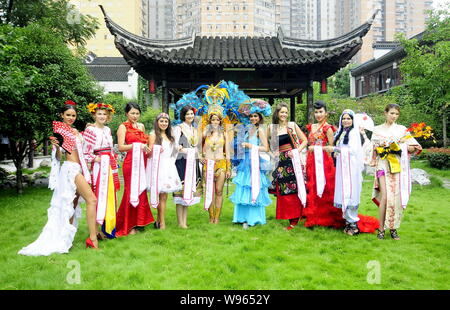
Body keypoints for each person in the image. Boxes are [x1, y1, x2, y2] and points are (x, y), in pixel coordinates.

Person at [19, 100, 99, 255]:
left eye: (73, 115)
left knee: (72, 205)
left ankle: (65, 240)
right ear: (62, 115)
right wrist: (56, 147)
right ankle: (93, 239)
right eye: (68, 115)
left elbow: (85, 148)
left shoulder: (75, 131)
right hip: (70, 169)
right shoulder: (60, 132)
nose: (71, 118)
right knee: (92, 200)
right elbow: (59, 156)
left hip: (80, 169)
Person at [370, 103, 422, 240]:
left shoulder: (402, 130)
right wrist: (382, 148)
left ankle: (393, 228)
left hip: (397, 167)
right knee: (385, 197)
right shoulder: (377, 130)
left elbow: (414, 147)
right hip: (382, 165)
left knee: (396, 197)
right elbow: (372, 149)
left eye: (396, 114)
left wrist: (400, 147)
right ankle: (381, 229)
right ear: (385, 113)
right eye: (391, 113)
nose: (394, 116)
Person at [332, 109, 379, 235]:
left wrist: (335, 149)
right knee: (344, 190)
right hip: (343, 166)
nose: (346, 121)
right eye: (344, 118)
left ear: (353, 121)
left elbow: (352, 150)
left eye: (348, 118)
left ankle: (353, 224)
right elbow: (341, 148)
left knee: (351, 192)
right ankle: (348, 222)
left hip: (351, 168)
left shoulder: (353, 133)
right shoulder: (341, 132)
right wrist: (336, 151)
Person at [231, 100, 272, 228]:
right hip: (245, 161)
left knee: (253, 185)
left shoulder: (261, 130)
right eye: (251, 116)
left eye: (255, 116)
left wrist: (251, 146)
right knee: (244, 187)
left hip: (255, 162)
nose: (253, 118)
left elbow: (266, 148)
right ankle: (242, 217)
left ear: (260, 117)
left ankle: (253, 218)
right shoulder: (248, 130)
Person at [116, 102, 154, 237]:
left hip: (142, 162)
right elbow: (121, 147)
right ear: (126, 113)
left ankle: (139, 222)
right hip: (131, 163)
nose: (135, 116)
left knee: (141, 191)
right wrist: (137, 146)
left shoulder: (141, 126)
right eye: (132, 113)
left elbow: (145, 144)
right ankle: (128, 225)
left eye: (137, 113)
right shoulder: (123, 127)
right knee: (131, 192)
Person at [268, 102, 308, 230]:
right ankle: (290, 215)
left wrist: (297, 151)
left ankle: (296, 218)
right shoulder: (271, 128)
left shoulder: (292, 126)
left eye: (286, 112)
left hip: (293, 160)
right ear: (277, 113)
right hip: (280, 163)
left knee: (295, 189)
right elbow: (269, 145)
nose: (284, 114)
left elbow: (305, 140)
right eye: (282, 112)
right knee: (285, 190)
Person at [303, 101, 344, 229]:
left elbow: (331, 147)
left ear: (326, 113)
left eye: (321, 112)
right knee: (313, 187)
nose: (318, 114)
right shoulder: (311, 127)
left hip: (324, 162)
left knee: (325, 188)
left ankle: (326, 216)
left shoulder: (328, 128)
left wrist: (316, 148)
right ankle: (313, 215)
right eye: (316, 112)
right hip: (311, 161)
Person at [83, 102, 120, 239]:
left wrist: (112, 160)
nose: (102, 116)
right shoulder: (90, 130)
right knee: (98, 195)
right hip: (99, 166)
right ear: (94, 115)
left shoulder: (108, 130)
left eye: (105, 114)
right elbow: (85, 151)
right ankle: (96, 230)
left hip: (109, 164)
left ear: (108, 116)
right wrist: (95, 159)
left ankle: (108, 228)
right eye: (99, 113)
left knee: (110, 195)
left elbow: (110, 149)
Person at [148, 113, 182, 230]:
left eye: (166, 121)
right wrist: (154, 150)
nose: (163, 123)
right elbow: (149, 154)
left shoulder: (170, 136)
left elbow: (172, 152)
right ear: (157, 122)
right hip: (158, 166)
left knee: (164, 196)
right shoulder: (153, 135)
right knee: (160, 195)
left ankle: (159, 220)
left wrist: (178, 149)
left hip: (168, 166)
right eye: (161, 121)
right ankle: (162, 223)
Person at [201, 106, 232, 224]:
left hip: (221, 165)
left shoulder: (224, 134)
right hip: (208, 165)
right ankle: (211, 217)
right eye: (213, 120)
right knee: (210, 191)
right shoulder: (205, 133)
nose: (215, 122)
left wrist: (229, 168)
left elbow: (228, 152)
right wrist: (200, 157)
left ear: (220, 121)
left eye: (217, 120)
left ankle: (217, 218)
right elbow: (197, 146)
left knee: (219, 191)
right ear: (209, 121)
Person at [173, 105, 202, 229]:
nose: (190, 116)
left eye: (191, 114)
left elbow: (197, 147)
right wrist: (183, 150)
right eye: (187, 114)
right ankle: (180, 222)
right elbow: (174, 146)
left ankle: (184, 221)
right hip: (182, 162)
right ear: (183, 116)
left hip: (193, 161)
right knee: (181, 192)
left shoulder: (195, 130)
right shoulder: (178, 128)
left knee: (188, 191)